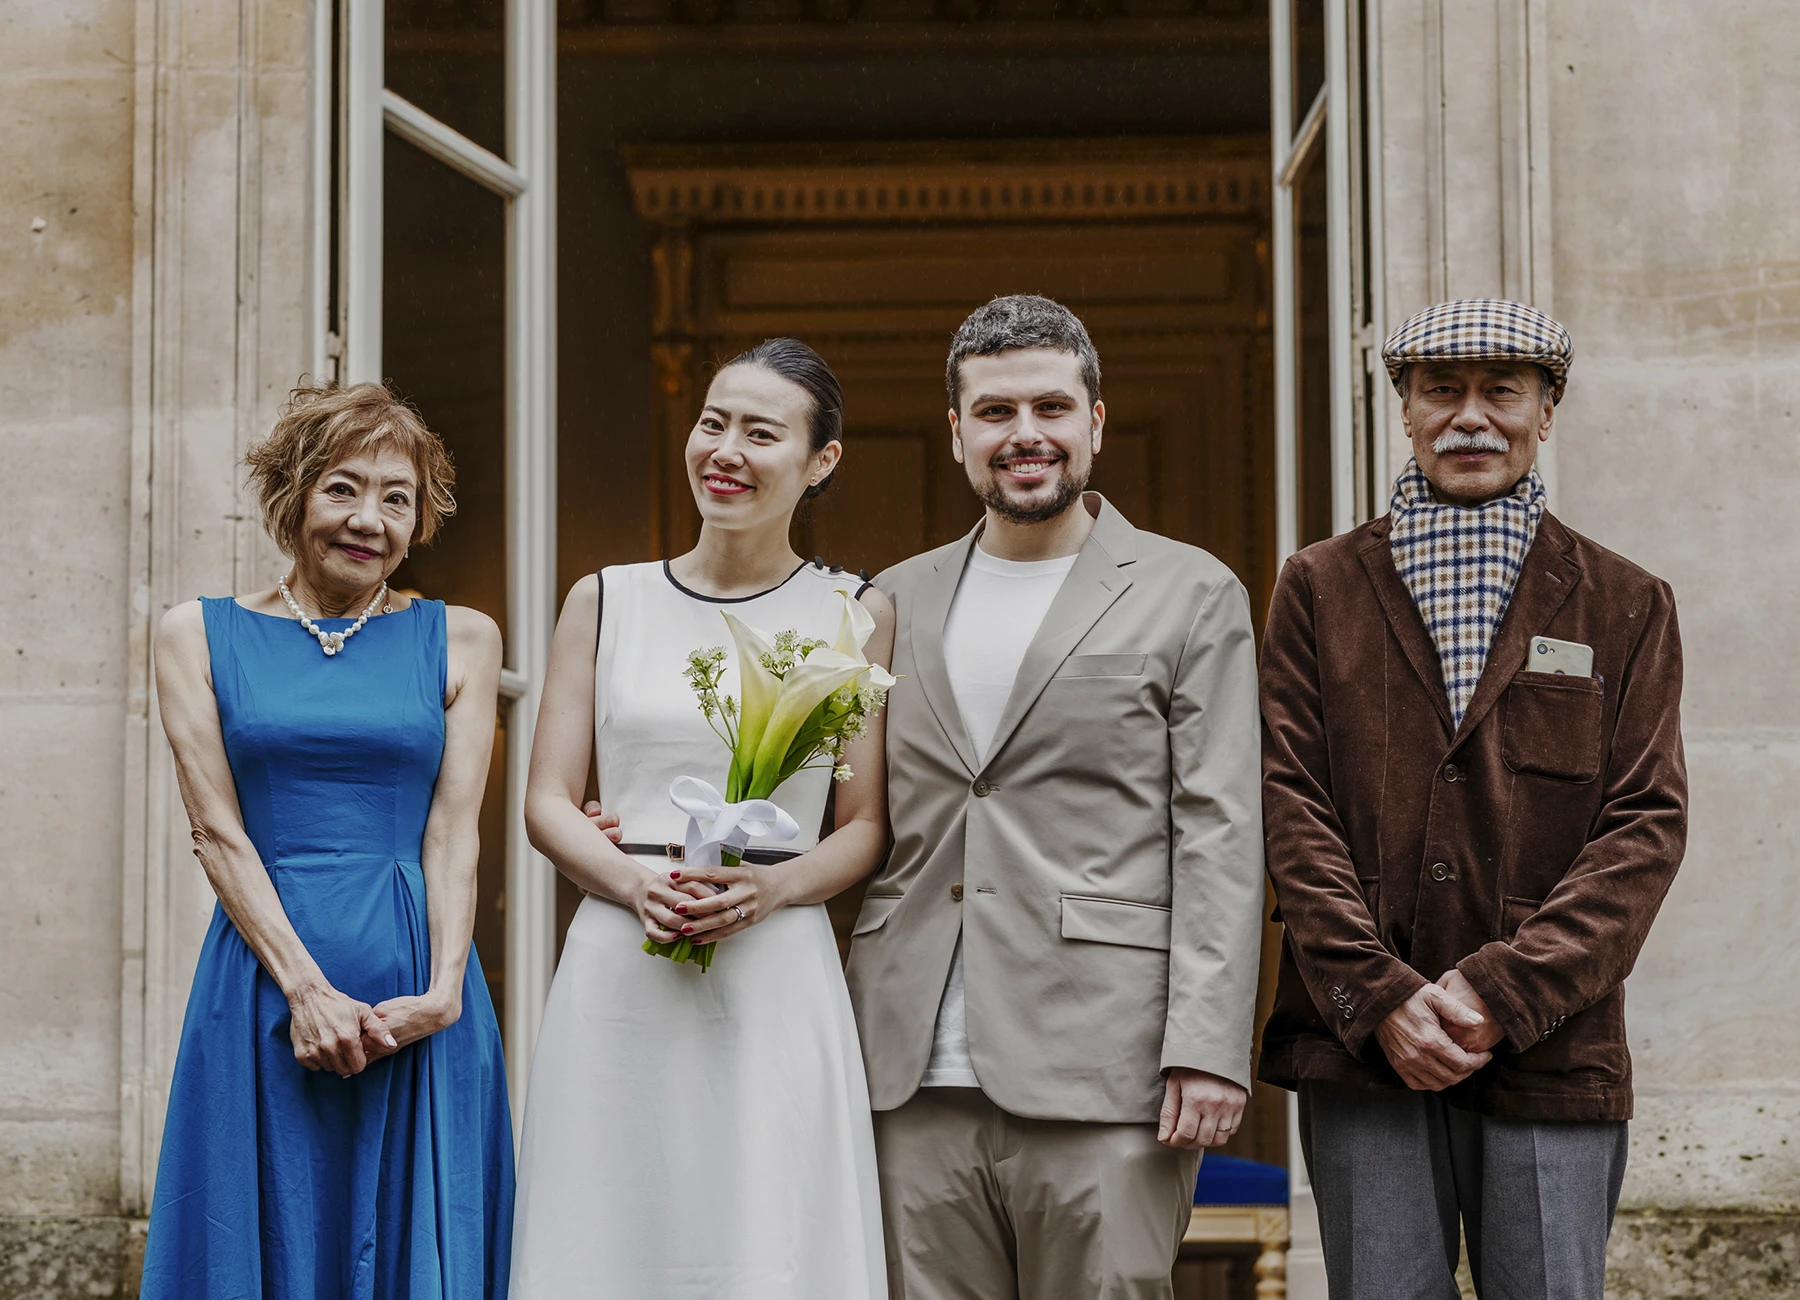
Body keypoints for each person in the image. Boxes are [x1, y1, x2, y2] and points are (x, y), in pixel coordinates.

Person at [1258, 299, 1688, 1300]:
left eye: (1504, 391)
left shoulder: (1626, 602)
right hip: (1364, 1045)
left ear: (1548, 410)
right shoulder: (1317, 587)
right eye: (1441, 390)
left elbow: (1645, 826)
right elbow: (1291, 801)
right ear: (1403, 409)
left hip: (1553, 1043)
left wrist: (1501, 991)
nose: (1471, 417)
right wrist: (1382, 994)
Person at [847, 295, 1266, 1300]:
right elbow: (838, 809)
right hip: (903, 1068)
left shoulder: (1190, 590)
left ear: (1095, 422)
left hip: (1107, 1066)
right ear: (957, 433)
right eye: (995, 412)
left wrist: (1208, 1047)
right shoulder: (887, 598)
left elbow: (1221, 827)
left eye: (1050, 408)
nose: (1025, 435)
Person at [509, 338, 892, 1298]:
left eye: (760, 433)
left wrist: (770, 890)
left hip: (776, 963)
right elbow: (547, 800)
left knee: (767, 1227)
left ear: (821, 463)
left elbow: (863, 824)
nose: (724, 449)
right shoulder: (605, 598)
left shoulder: (856, 611)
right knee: (606, 1228)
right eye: (713, 422)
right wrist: (633, 883)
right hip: (620, 953)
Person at [139, 381, 514, 1298]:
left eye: (398, 497)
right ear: (293, 495)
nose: (369, 519)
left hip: (419, 999)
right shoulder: (197, 634)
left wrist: (446, 992)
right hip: (266, 989)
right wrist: (305, 991)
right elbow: (217, 834)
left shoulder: (461, 637)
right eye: (344, 488)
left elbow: (454, 837)